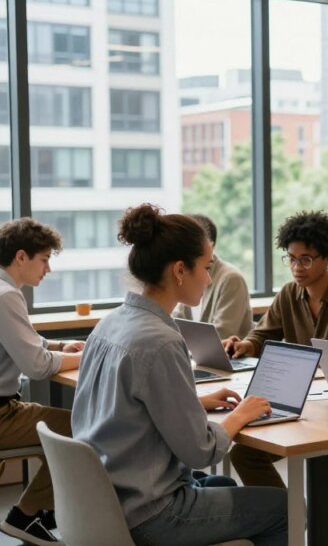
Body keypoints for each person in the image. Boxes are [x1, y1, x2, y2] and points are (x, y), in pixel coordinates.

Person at [71, 204, 287, 545]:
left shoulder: (109, 323)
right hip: (153, 514)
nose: (210, 277)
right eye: (205, 267)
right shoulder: (161, 341)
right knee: (288, 508)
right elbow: (201, 452)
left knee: (226, 487)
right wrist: (240, 415)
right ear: (179, 271)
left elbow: (125, 408)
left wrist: (194, 402)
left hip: (107, 500)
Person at [225, 210, 328, 488]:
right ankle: (289, 518)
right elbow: (262, 334)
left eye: (306, 259)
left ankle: (294, 520)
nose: (296, 267)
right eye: (291, 258)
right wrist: (244, 345)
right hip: (301, 399)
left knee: (250, 447)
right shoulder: (289, 293)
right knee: (244, 454)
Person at [0, 218, 84, 545]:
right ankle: (26, 515)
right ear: (21, 256)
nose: (48, 268)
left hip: (8, 406)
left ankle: (46, 509)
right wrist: (90, 357)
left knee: (68, 425)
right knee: (84, 427)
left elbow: (22, 341)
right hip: (3, 414)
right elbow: (36, 365)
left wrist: (60, 346)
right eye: (44, 259)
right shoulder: (7, 296)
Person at [172, 214, 253, 340]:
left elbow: (222, 334)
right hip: (197, 356)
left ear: (210, 246)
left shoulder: (231, 279)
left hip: (229, 357)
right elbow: (176, 321)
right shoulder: (186, 273)